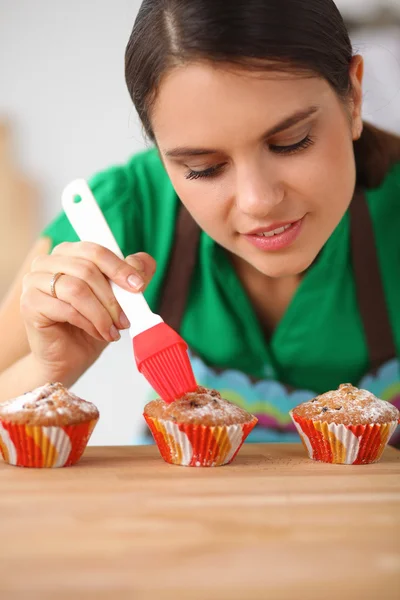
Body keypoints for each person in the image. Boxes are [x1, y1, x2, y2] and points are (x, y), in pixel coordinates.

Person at [1, 0, 399, 445]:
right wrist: (48, 368)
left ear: (354, 95)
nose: (258, 202)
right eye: (204, 168)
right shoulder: (121, 213)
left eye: (291, 142)